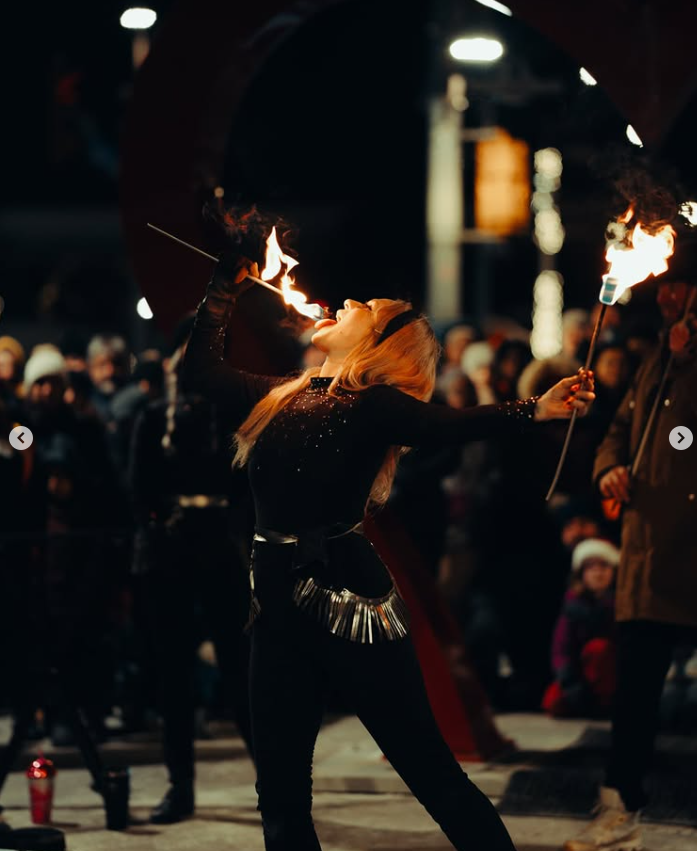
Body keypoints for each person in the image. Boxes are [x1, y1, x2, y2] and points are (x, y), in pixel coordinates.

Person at [182, 237, 595, 851]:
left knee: (428, 770)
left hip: (349, 605)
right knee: (281, 794)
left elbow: (444, 425)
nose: (346, 301)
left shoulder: (374, 407)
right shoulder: (282, 394)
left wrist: (535, 408)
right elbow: (200, 373)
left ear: (378, 343)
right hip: (274, 612)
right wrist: (222, 290)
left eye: (364, 307)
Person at [564, 277, 697, 851]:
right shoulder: (655, 361)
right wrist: (609, 469)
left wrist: (682, 442)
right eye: (667, 290)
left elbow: (682, 439)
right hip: (645, 555)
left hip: (689, 550)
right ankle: (620, 811)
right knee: (635, 693)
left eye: (682, 289)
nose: (668, 299)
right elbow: (619, 432)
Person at [129, 320, 255, 823]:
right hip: (171, 553)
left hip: (219, 550)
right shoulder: (155, 416)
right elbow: (138, 491)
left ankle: (273, 783)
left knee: (239, 668)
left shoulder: (228, 413)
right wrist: (162, 527)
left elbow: (245, 488)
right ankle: (180, 785)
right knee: (173, 675)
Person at [542, 538, 618, 718]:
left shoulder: (619, 605)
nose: (598, 573)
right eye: (591, 567)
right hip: (582, 675)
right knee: (554, 699)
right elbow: (562, 649)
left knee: (600, 648)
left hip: (612, 674)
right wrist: (570, 682)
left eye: (604, 567)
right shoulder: (573, 607)